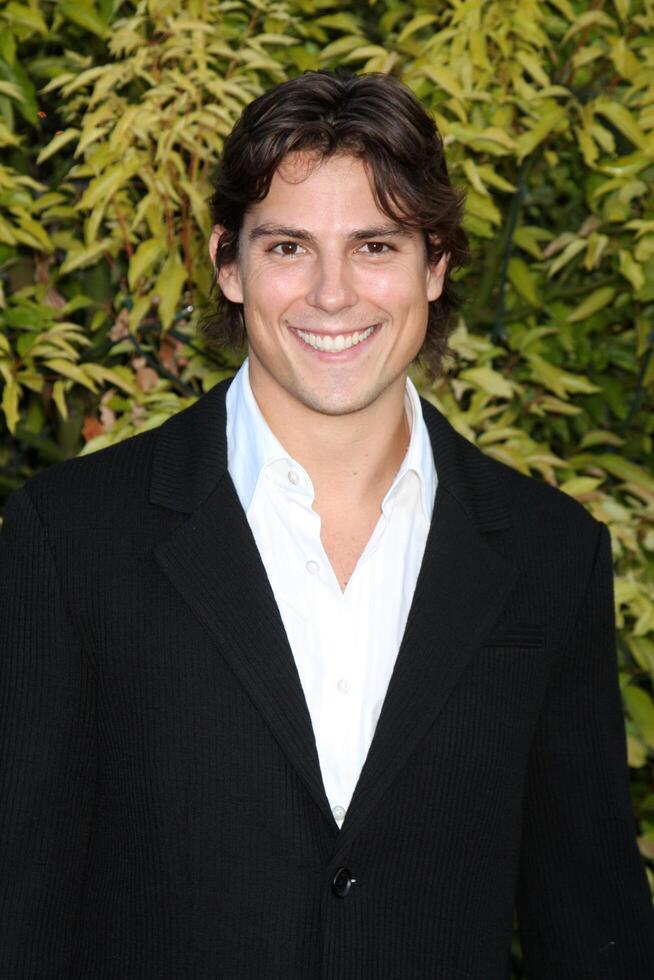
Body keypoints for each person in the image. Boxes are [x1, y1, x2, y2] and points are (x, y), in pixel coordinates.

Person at [1, 69, 652, 980]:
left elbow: (592, 930)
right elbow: (16, 913)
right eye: (290, 248)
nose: (334, 294)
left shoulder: (550, 555)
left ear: (437, 264)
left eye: (377, 245)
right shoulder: (70, 539)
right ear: (231, 264)